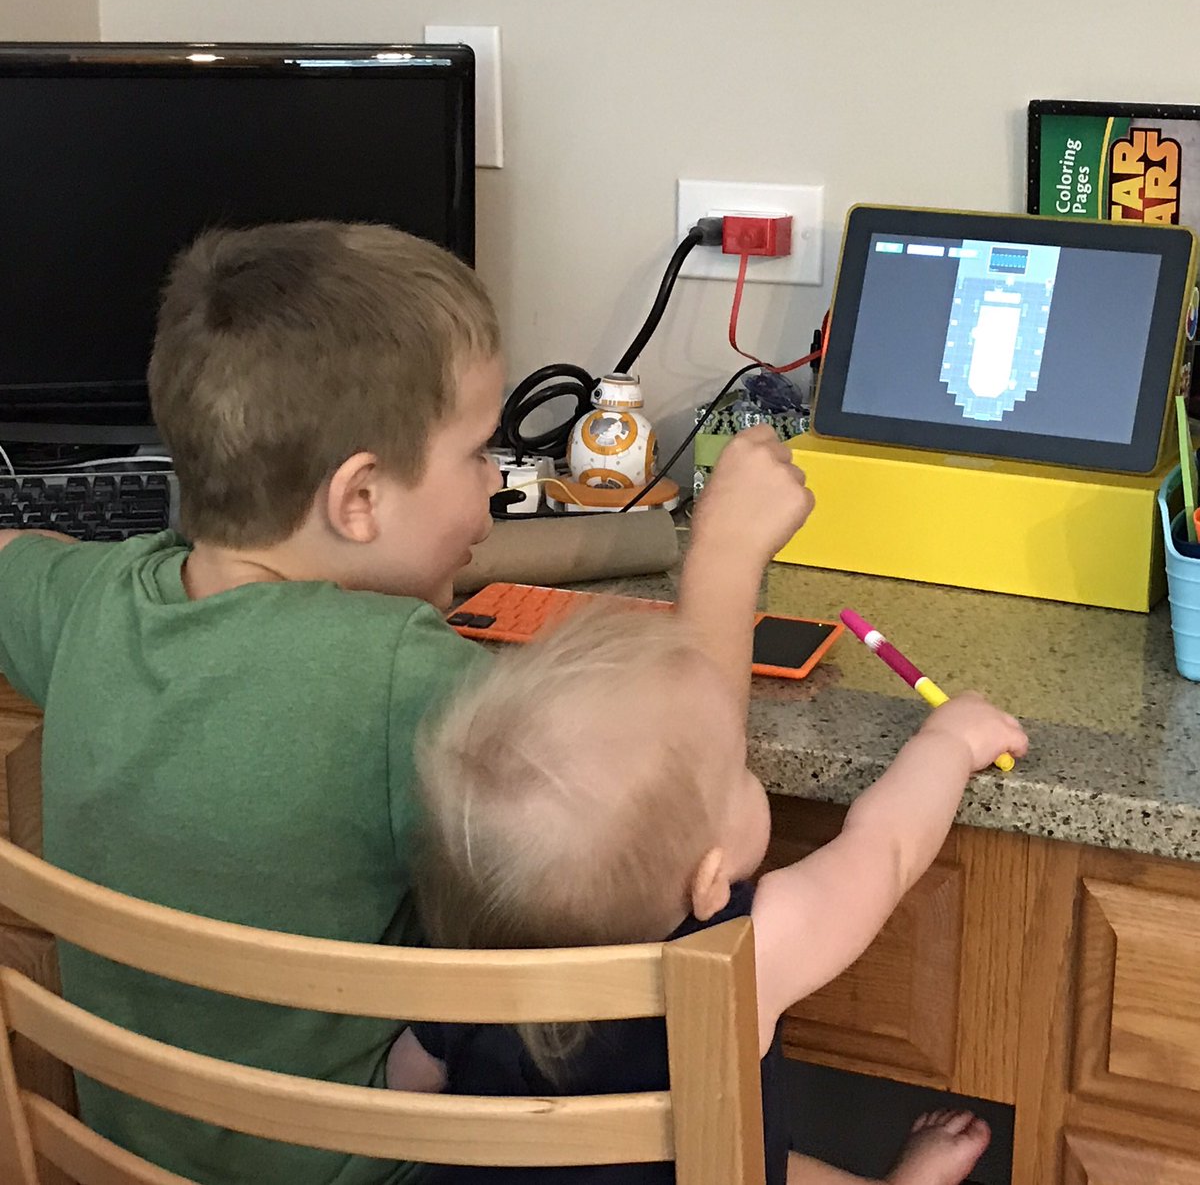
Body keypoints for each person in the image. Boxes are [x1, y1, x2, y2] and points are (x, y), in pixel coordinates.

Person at [0, 220, 815, 1184]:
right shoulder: (396, 672)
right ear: (359, 501)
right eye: (480, 454)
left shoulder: (95, 600)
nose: (493, 481)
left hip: (134, 1149)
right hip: (372, 1169)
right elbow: (689, 815)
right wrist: (723, 560)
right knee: (644, 991)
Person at [390, 602, 1028, 1185]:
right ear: (709, 880)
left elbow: (409, 1084)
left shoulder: (467, 967)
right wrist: (948, 742)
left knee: (704, 1146)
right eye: (741, 771)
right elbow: (886, 847)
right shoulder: (742, 956)